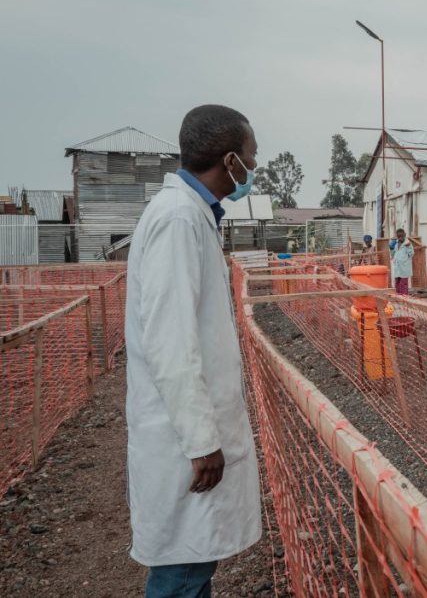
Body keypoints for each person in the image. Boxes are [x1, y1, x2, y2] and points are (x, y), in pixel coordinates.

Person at [125, 105, 262, 598]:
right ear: (230, 161)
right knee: (182, 573)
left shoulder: (191, 214)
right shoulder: (179, 219)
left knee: (193, 567)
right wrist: (201, 440)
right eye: (250, 157)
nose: (251, 169)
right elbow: (170, 340)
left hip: (187, 429)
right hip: (182, 438)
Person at [390, 228, 415, 295]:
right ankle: (398, 298)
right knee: (397, 283)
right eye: (398, 236)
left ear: (405, 235)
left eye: (401, 236)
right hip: (397, 267)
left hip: (404, 267)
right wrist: (391, 249)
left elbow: (412, 254)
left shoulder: (408, 243)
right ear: (397, 236)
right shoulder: (396, 243)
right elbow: (393, 255)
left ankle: (404, 299)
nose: (400, 238)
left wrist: (408, 247)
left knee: (403, 284)